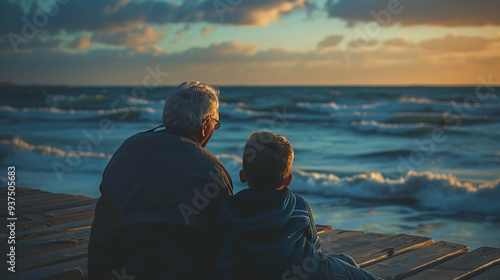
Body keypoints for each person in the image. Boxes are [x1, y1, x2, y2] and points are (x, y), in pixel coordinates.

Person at [88, 81, 233, 279]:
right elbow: (222, 239)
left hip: (105, 270)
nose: (213, 130)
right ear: (205, 124)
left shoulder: (127, 149)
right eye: (215, 124)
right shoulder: (213, 170)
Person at [213, 131, 382, 280]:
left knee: (345, 259)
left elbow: (226, 257)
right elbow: (315, 245)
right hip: (307, 271)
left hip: (255, 274)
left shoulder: (231, 210)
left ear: (243, 176)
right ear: (288, 180)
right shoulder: (298, 206)